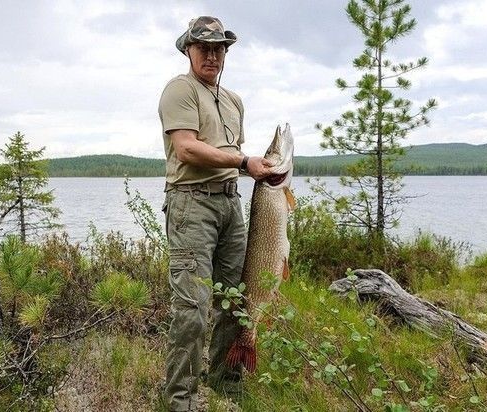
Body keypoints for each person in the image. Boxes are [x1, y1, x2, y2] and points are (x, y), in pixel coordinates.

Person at [158, 16, 273, 412]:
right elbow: (187, 149)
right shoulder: (180, 90)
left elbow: (229, 154)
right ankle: (181, 400)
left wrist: (249, 167)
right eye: (203, 47)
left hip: (231, 204)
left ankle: (226, 383)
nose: (211, 55)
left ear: (226, 52)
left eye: (219, 48)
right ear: (188, 49)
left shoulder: (233, 100)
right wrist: (244, 162)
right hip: (192, 204)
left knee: (234, 300)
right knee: (192, 308)